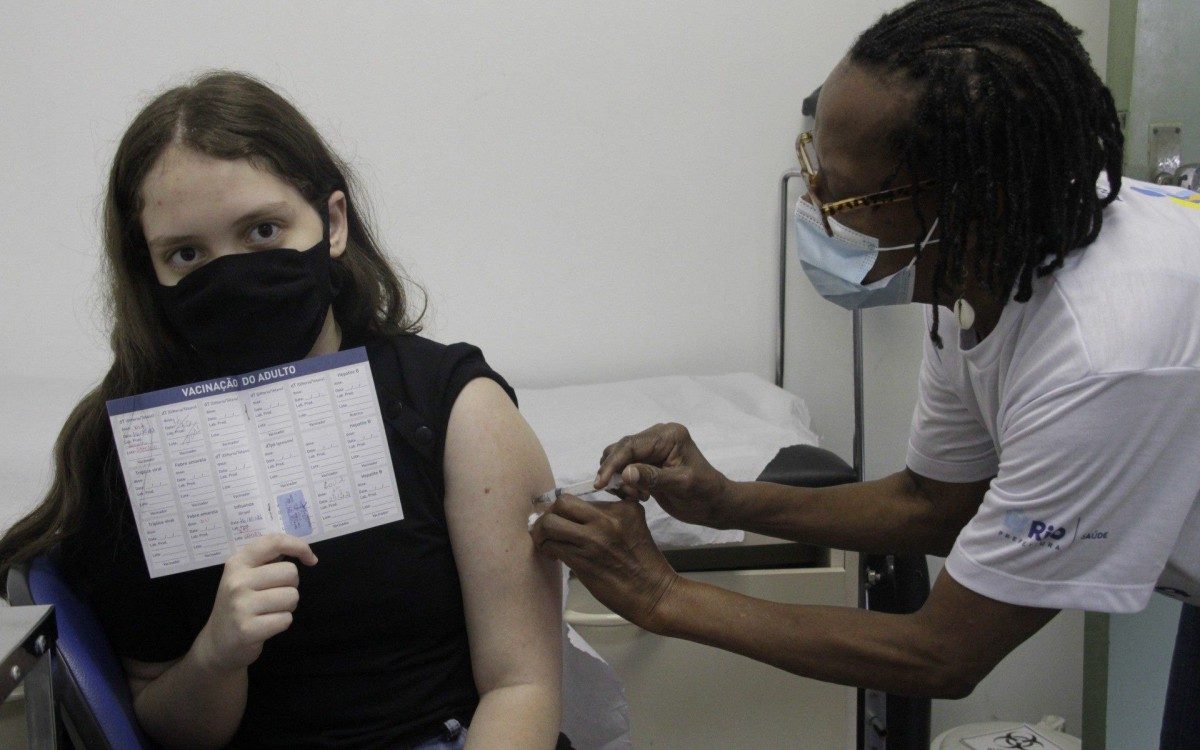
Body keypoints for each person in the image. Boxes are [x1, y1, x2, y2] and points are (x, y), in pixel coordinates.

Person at [531, 0, 1200, 744]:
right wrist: (726, 502)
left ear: (974, 203)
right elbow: (933, 505)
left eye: (846, 193)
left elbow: (944, 653)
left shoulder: (1104, 352)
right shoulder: (984, 270)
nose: (817, 205)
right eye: (814, 166)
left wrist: (662, 596)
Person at [0, 71, 565, 749]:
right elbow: (166, 725)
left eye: (262, 230)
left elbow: (522, 687)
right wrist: (217, 654)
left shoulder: (454, 406)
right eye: (186, 253)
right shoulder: (132, 452)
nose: (230, 273)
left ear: (331, 222)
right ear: (149, 270)